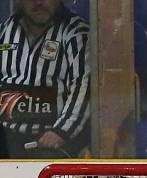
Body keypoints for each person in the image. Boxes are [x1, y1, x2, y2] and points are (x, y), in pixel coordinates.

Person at [0, 0, 90, 158]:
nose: (39, 2)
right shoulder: (4, 31)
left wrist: (61, 131)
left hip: (51, 139)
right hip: (6, 136)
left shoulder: (76, 32)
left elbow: (84, 85)